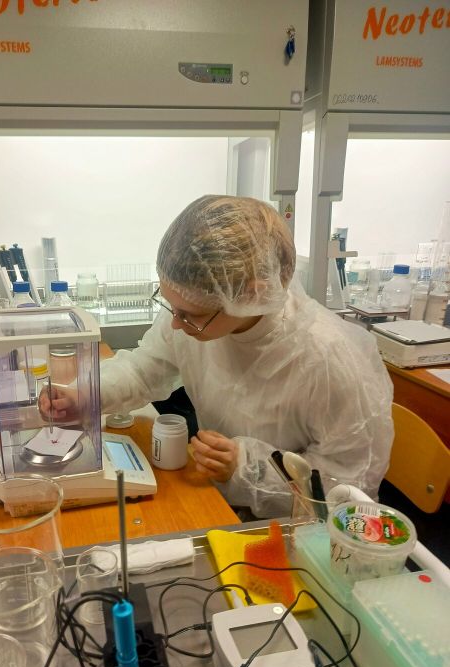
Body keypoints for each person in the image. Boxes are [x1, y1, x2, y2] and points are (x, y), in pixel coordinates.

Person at [41, 196, 393, 518]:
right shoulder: (197, 311)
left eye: (189, 315)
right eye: (171, 307)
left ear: (251, 295)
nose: (175, 324)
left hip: (298, 531)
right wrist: (86, 394)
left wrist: (248, 468)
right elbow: (145, 368)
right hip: (222, 499)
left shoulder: (329, 358)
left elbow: (350, 486)